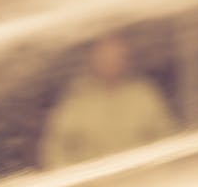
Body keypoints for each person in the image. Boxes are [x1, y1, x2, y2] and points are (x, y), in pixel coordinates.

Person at [39, 31, 178, 169]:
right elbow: (53, 151)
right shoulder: (76, 100)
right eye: (104, 56)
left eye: (116, 56)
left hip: (141, 182)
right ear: (92, 58)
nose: (110, 62)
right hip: (92, 185)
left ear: (125, 58)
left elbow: (168, 140)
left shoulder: (144, 95)